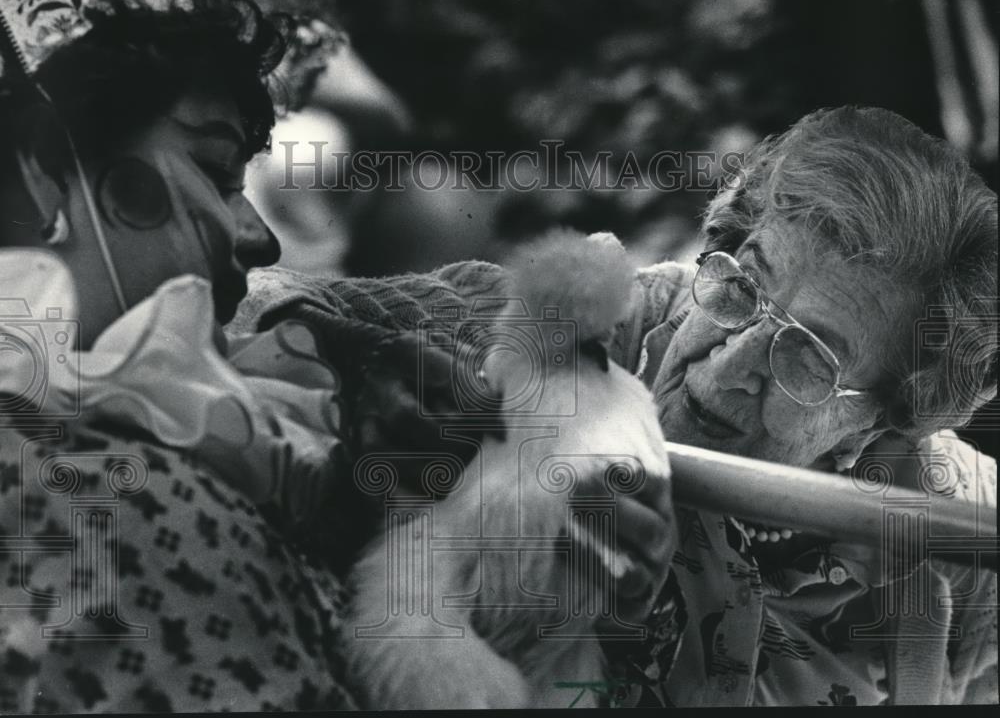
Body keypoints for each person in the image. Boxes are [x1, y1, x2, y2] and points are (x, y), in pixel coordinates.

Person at [0, 0, 671, 710]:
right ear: (45, 163)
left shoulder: (212, 404)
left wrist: (365, 486)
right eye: (216, 169)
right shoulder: (107, 502)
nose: (259, 236)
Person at [233, 105, 998, 706]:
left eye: (808, 356)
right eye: (739, 286)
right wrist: (357, 369)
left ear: (880, 418)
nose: (729, 364)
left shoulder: (945, 528)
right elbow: (247, 308)